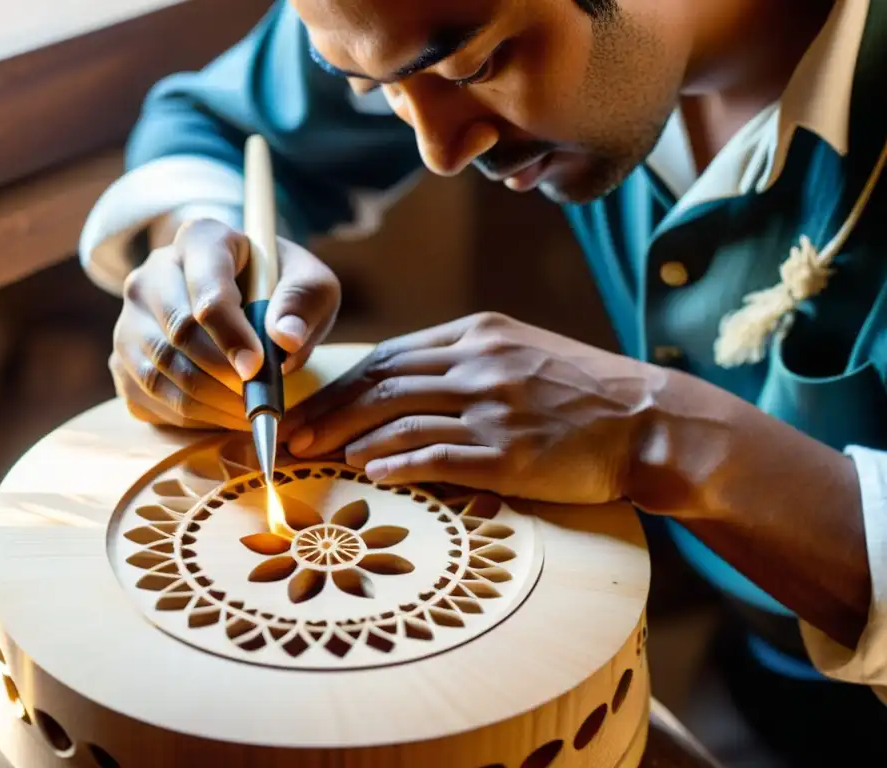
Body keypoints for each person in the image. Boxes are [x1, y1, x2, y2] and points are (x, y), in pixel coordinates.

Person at [79, 0, 887, 762]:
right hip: (753, 680)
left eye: (477, 67)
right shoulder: (416, 24)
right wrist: (201, 256)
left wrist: (658, 432)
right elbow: (213, 127)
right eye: (371, 87)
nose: (439, 149)